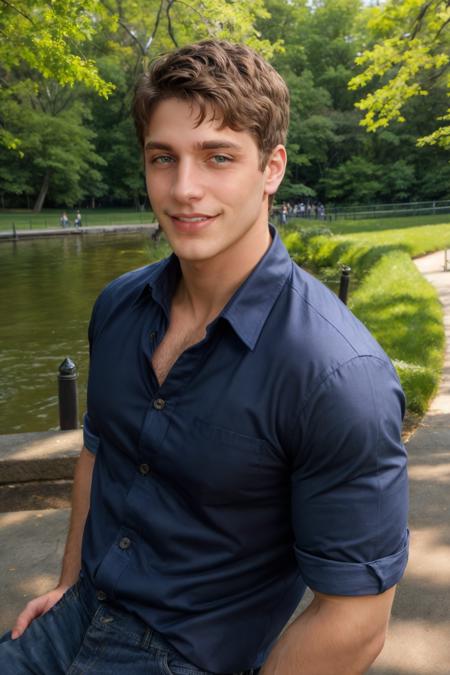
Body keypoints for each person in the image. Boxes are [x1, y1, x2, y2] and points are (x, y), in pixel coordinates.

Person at [0, 40, 408, 674]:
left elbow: (353, 620)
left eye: (218, 157)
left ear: (271, 168)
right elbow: (97, 451)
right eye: (164, 158)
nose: (184, 189)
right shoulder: (118, 307)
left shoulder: (338, 375)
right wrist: (68, 584)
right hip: (72, 621)